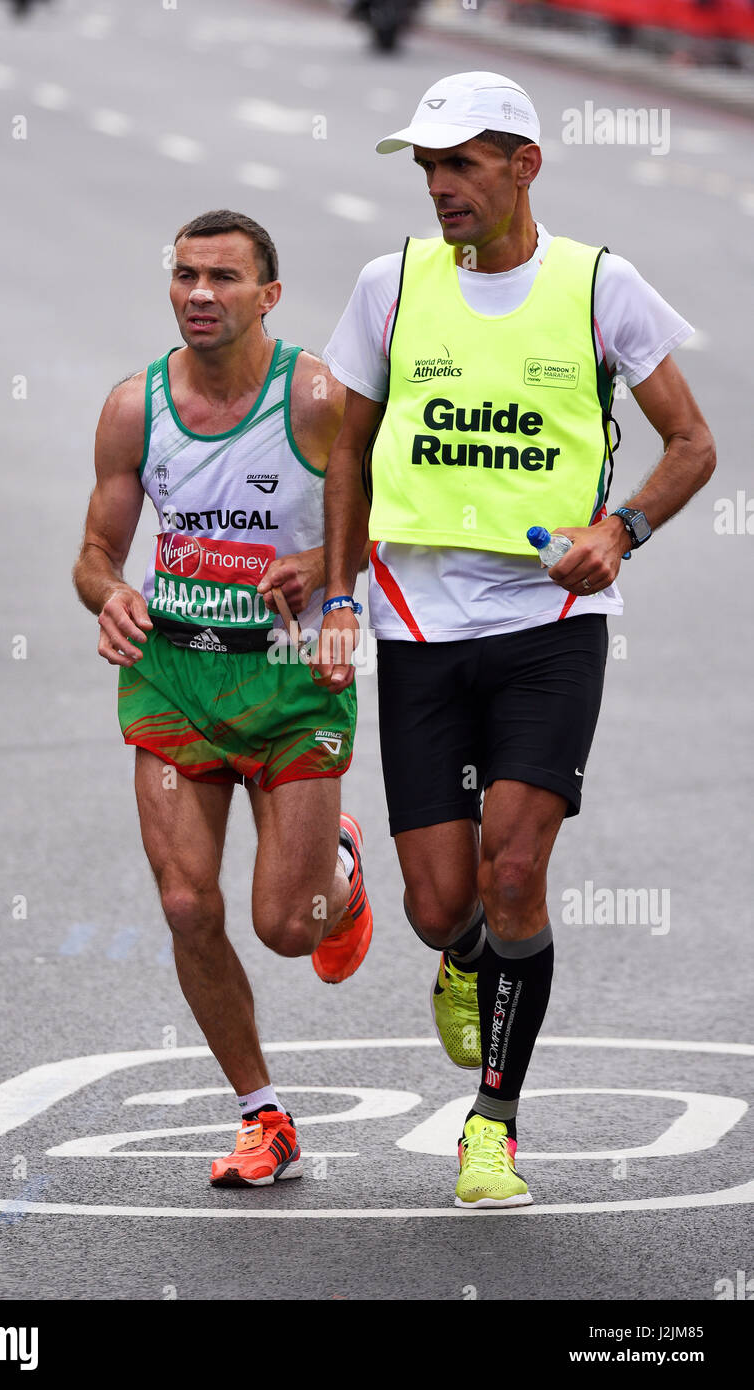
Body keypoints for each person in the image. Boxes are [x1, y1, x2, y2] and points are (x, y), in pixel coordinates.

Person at [315, 73, 715, 1207]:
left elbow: (693, 444)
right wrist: (341, 598)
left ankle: (491, 1125)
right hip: (417, 618)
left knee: (517, 872)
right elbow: (349, 452)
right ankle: (456, 955)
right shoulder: (388, 286)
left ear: (524, 165)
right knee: (445, 903)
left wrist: (620, 529)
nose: (441, 188)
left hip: (552, 624)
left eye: (463, 166)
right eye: (428, 169)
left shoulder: (601, 285)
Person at [73, 209, 372, 1189]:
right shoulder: (135, 408)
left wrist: (322, 571)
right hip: (176, 676)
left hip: (290, 679)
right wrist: (112, 595)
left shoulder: (319, 397)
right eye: (186, 276)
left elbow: (396, 519)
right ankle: (264, 1114)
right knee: (184, 900)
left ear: (269, 296)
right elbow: (93, 557)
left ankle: (339, 865)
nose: (200, 294)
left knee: (290, 925)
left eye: (225, 279)